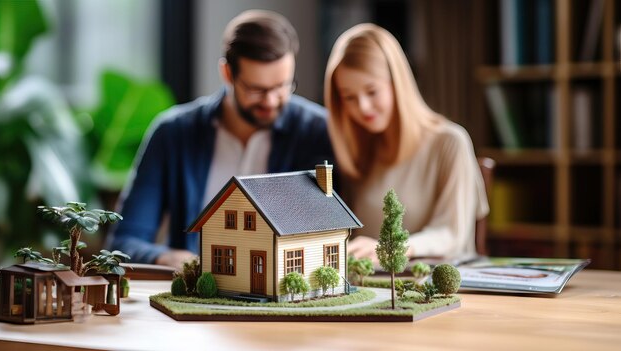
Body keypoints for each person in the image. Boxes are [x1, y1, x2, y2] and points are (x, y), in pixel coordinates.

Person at [106, 10, 333, 269]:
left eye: (283, 86)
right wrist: (169, 258)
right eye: (256, 89)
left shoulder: (317, 131)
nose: (270, 101)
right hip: (195, 295)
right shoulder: (173, 133)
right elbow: (124, 242)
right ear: (227, 73)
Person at [324, 23, 488, 263]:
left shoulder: (450, 142)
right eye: (349, 97)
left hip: (434, 287)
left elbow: (453, 234)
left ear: (397, 82)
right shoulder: (359, 150)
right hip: (371, 287)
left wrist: (394, 248)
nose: (363, 107)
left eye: (372, 91)